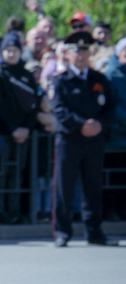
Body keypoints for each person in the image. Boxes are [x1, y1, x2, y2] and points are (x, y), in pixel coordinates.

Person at [51, 30, 114, 247]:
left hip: (94, 141)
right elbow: (59, 110)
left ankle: (94, 231)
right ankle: (62, 232)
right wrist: (82, 125)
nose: (81, 55)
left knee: (93, 187)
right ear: (67, 54)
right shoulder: (60, 80)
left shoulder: (100, 80)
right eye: (76, 51)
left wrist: (99, 125)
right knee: (63, 188)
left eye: (85, 51)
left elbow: (109, 108)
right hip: (70, 140)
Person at [0, 31, 42, 223]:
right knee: (1, 171)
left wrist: (26, 128)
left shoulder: (26, 74)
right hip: (4, 132)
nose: (11, 54)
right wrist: (12, 129)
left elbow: (34, 104)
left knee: (17, 172)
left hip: (23, 133)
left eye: (15, 50)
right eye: (8, 50)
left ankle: (15, 210)